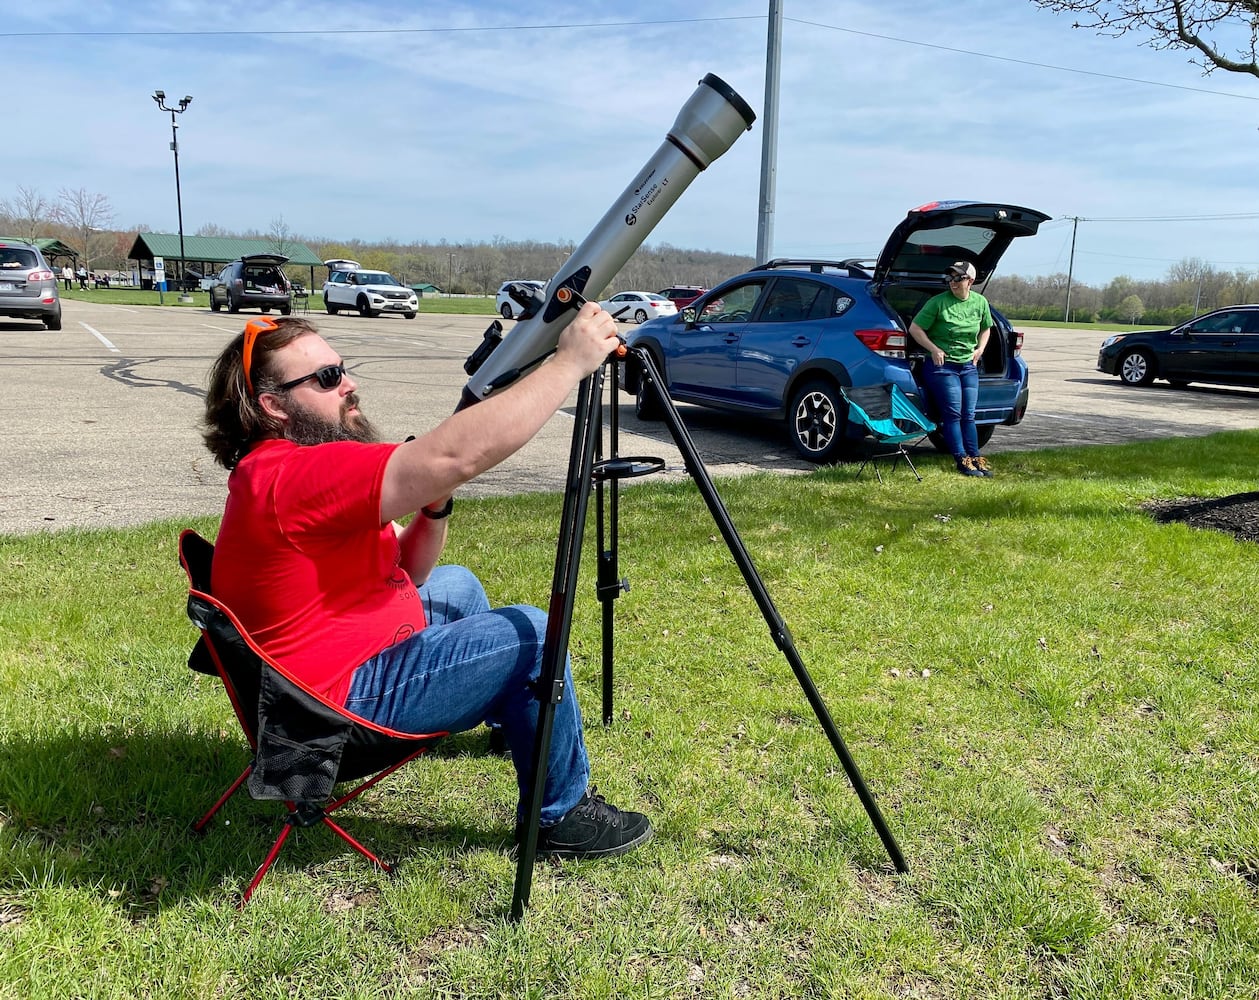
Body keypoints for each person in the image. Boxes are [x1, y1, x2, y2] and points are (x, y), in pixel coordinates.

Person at [201, 313, 653, 860]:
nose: (349, 385)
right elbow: (452, 456)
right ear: (274, 405)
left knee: (456, 586)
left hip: (321, 671)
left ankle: (518, 720)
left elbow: (408, 573)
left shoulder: (278, 469)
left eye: (343, 370)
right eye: (326, 378)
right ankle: (558, 818)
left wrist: (434, 500)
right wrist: (568, 363)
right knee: (532, 635)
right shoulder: (294, 476)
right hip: (329, 717)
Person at [908, 260, 994, 477]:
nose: (953, 282)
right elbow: (915, 328)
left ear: (970, 281)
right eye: (950, 278)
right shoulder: (937, 303)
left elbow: (986, 328)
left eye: (958, 278)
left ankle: (976, 458)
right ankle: (962, 460)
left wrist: (980, 350)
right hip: (942, 367)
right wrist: (933, 349)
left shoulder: (980, 302)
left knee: (969, 414)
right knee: (953, 414)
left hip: (968, 366)